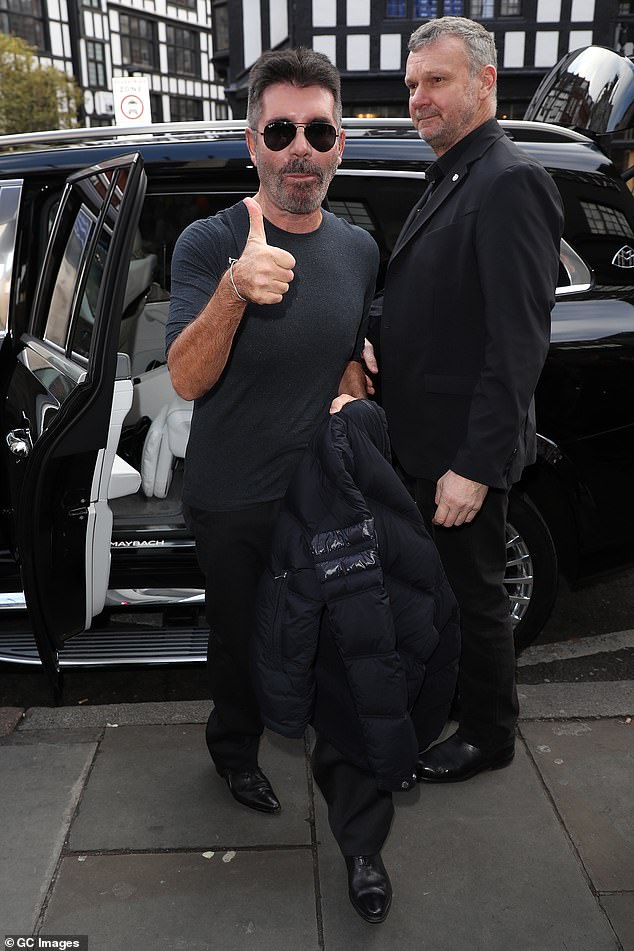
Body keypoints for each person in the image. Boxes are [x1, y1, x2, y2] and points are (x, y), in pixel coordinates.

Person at [165, 48, 377, 816]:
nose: (300, 149)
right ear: (253, 140)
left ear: (340, 146)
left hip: (321, 489)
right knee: (240, 641)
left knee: (330, 635)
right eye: (281, 130)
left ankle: (346, 758)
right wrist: (233, 290)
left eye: (318, 133)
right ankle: (235, 753)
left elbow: (349, 357)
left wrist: (355, 385)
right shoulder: (208, 244)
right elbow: (186, 377)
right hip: (231, 497)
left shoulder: (358, 250)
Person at [367, 16, 564, 783]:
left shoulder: (510, 180)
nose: (417, 97)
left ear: (485, 82)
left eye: (435, 82)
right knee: (444, 591)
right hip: (424, 437)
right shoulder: (452, 169)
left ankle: (490, 732)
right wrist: (369, 334)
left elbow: (517, 345)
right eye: (412, 84)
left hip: (462, 451)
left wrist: (475, 466)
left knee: (475, 597)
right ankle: (457, 705)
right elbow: (427, 295)